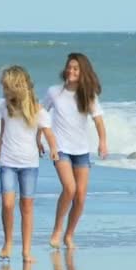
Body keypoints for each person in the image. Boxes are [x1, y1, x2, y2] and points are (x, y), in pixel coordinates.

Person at [0, 65, 58, 263]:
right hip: (7, 163)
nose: (4, 91)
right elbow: (2, 135)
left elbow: (49, 134)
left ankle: (27, 250)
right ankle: (8, 241)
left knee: (27, 206)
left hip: (29, 165)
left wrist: (53, 149)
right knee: (7, 204)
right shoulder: (4, 107)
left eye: (6, 87)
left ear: (17, 86)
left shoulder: (37, 110)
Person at [39, 52, 108, 249]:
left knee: (80, 196)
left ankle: (69, 235)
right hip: (60, 148)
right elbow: (40, 114)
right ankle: (57, 230)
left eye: (76, 68)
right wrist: (38, 138)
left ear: (82, 71)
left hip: (81, 150)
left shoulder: (88, 95)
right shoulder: (54, 92)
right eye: (69, 67)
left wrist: (103, 142)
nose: (71, 70)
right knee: (69, 188)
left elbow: (99, 121)